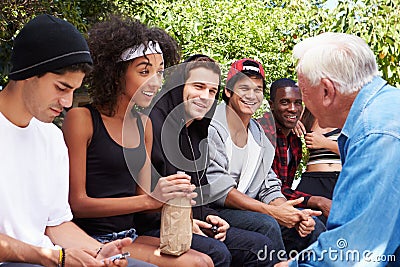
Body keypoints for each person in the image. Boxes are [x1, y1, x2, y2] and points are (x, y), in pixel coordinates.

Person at [62, 16, 212, 267]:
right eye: (144, 71)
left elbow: (143, 202)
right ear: (116, 73)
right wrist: (150, 200)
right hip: (89, 239)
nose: (155, 82)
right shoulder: (82, 119)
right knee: (196, 264)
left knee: (206, 260)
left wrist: (172, 195)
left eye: (160, 72)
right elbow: (76, 204)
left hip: (130, 236)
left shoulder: (145, 125)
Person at [0, 14, 137, 267]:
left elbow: (57, 225)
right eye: (61, 88)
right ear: (28, 73)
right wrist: (55, 257)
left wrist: (100, 253)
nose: (67, 103)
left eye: (74, 91)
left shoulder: (51, 137)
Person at [276, 32, 400, 266]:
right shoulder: (385, 108)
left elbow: (354, 253)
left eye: (302, 91)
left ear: (326, 91)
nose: (300, 102)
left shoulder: (376, 134)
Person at [146, 54, 274, 266]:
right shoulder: (154, 122)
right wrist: (187, 221)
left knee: (261, 245)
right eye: (198, 86)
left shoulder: (197, 131)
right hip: (157, 224)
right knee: (220, 251)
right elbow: (145, 201)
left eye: (211, 91)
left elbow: (199, 193)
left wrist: (213, 218)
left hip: (191, 219)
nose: (205, 96)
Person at [206, 58, 324, 256]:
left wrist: (287, 210)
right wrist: (272, 212)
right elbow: (220, 190)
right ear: (228, 91)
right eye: (244, 88)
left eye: (257, 89)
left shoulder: (259, 134)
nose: (251, 95)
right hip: (213, 210)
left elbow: (268, 184)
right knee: (267, 224)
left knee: (312, 225)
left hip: (249, 210)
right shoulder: (212, 126)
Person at [258, 78, 332, 219]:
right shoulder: (262, 132)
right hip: (262, 206)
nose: (293, 108)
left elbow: (284, 186)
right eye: (285, 102)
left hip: (282, 202)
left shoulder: (295, 140)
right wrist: (317, 201)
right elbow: (269, 188)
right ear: (271, 105)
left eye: (298, 103)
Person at [294, 108, 341, 201]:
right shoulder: (306, 113)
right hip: (311, 180)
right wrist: (293, 123)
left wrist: (326, 143)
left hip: (339, 180)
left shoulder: (350, 116)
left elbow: (360, 154)